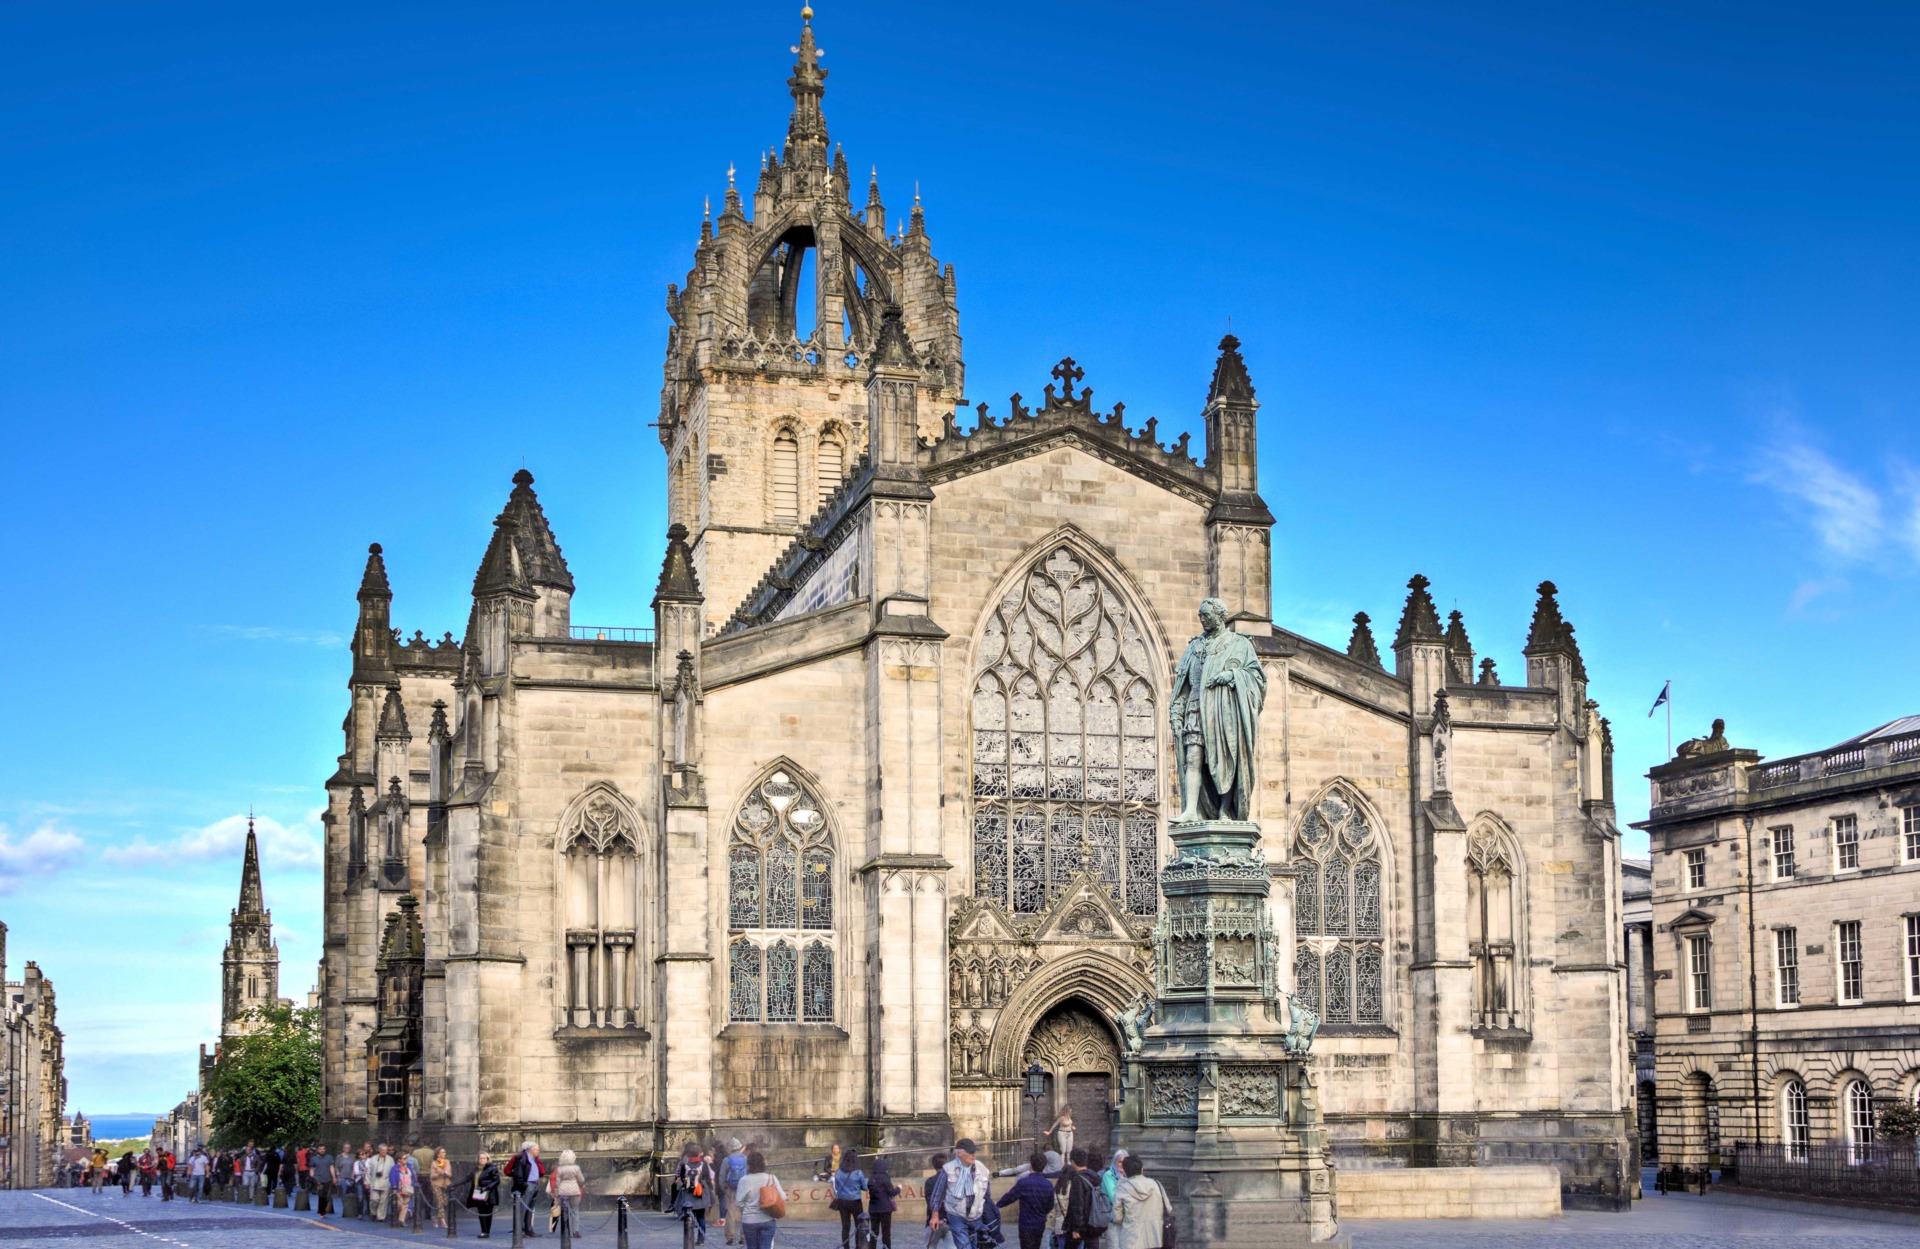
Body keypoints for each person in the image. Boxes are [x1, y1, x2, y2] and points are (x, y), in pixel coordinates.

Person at [931, 1140, 992, 1249]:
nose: (973, 1155)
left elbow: (986, 1194)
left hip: (976, 1216)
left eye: (974, 1152)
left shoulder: (982, 1168)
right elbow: (937, 1194)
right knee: (964, 1247)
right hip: (956, 1215)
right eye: (970, 1152)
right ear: (959, 1153)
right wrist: (934, 1216)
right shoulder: (948, 1169)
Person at [996, 1154, 1055, 1249]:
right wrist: (1042, 1213)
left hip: (1026, 1223)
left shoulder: (1023, 1183)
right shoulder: (1048, 1184)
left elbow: (1010, 1197)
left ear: (1030, 1165)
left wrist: (997, 1205)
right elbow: (1050, 1204)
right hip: (1040, 1222)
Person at [1110, 1156, 1166, 1249]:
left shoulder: (1122, 1189)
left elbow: (1117, 1217)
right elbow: (1167, 1208)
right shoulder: (1156, 1185)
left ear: (1125, 1171)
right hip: (1155, 1238)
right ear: (1142, 1169)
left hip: (1131, 1240)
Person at [735, 1148, 785, 1249]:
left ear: (748, 1165)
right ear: (763, 1164)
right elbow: (783, 1197)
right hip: (767, 1219)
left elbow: (739, 1202)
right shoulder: (771, 1178)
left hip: (749, 1220)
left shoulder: (744, 1180)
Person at [674, 1141, 715, 1245]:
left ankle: (689, 1239)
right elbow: (707, 1178)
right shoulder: (703, 1164)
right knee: (701, 1218)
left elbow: (682, 1179)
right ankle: (701, 1240)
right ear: (699, 1154)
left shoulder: (685, 1164)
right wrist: (710, 1189)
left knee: (689, 1217)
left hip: (688, 1195)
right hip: (700, 1193)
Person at [830, 1147, 868, 1249]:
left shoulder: (839, 1172)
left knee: (845, 1226)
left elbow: (837, 1187)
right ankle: (858, 1246)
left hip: (842, 1201)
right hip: (855, 1201)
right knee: (858, 1226)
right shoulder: (858, 1173)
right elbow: (865, 1187)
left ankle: (846, 1247)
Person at [508, 1141, 546, 1238]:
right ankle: (519, 1231)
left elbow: (541, 1171)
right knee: (522, 1209)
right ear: (532, 1150)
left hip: (535, 1184)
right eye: (537, 1150)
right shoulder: (522, 1159)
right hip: (527, 1185)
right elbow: (518, 1174)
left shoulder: (534, 1159)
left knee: (530, 1209)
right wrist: (524, 1185)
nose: (538, 1151)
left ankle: (528, 1229)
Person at [548, 1148, 586, 1240]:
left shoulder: (560, 1169)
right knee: (575, 1211)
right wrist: (581, 1187)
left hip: (563, 1191)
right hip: (574, 1191)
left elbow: (556, 1182)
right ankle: (576, 1231)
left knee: (564, 1211)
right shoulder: (576, 1168)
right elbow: (581, 1180)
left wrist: (556, 1194)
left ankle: (565, 1229)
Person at [719, 1138, 749, 1245]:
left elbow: (722, 1176)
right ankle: (743, 1237)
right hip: (743, 1189)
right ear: (740, 1147)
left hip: (730, 1189)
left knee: (730, 1213)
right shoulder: (745, 1159)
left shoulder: (727, 1160)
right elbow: (748, 1173)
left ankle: (730, 1237)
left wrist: (724, 1188)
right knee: (744, 1213)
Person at [467, 1151, 503, 1239]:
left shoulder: (492, 1168)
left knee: (488, 1213)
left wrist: (486, 1187)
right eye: (480, 1158)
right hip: (478, 1193)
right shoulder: (476, 1169)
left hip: (489, 1194)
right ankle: (484, 1231)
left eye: (484, 1158)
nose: (482, 1160)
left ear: (487, 1159)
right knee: (481, 1212)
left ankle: (486, 1231)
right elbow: (467, 1178)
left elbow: (496, 1180)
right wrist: (454, 1184)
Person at [868, 1155, 900, 1249]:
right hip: (885, 1209)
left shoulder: (871, 1178)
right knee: (886, 1233)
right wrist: (899, 1188)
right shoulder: (885, 1178)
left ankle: (872, 1247)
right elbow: (891, 1192)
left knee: (874, 1231)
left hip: (873, 1208)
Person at [366, 1144, 395, 1222]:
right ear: (379, 1150)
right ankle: (373, 1213)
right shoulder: (373, 1159)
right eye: (382, 1150)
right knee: (374, 1199)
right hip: (374, 1181)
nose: (384, 1152)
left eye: (386, 1150)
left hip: (386, 1182)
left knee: (384, 1201)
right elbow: (368, 1171)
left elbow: (393, 1172)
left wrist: (393, 1182)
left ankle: (381, 1217)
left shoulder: (390, 1159)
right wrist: (367, 1182)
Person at [428, 1147, 452, 1228]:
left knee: (445, 1202)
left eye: (445, 1152)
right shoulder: (434, 1163)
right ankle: (443, 1221)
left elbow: (449, 1172)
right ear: (438, 1154)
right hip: (436, 1184)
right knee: (440, 1202)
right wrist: (439, 1172)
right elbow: (432, 1176)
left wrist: (446, 1172)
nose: (444, 1154)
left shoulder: (447, 1162)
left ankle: (435, 1217)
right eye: (442, 1152)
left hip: (445, 1184)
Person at [395, 1152, 418, 1228]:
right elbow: (392, 1177)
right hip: (399, 1188)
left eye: (406, 1158)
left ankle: (401, 1220)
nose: (406, 1160)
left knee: (405, 1205)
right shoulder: (395, 1168)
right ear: (399, 1160)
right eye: (404, 1158)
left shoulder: (409, 1167)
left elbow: (413, 1176)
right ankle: (399, 1217)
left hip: (408, 1188)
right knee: (400, 1205)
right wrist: (394, 1186)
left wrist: (414, 1183)